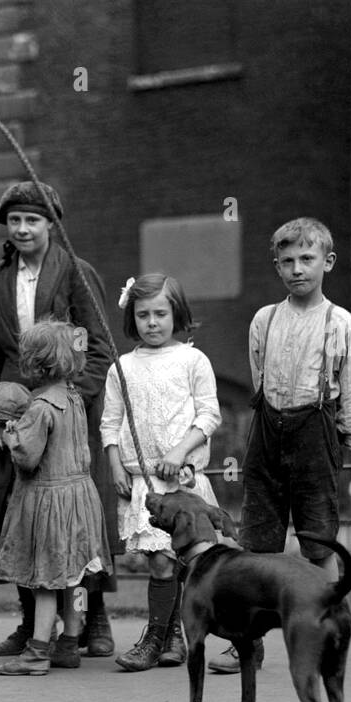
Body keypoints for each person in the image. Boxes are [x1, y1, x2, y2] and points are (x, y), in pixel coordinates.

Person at [0, 180, 118, 660]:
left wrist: (69, 400)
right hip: (15, 422)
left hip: (67, 416)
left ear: (51, 224)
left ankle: (90, 620)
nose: (22, 229)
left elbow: (98, 347)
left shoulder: (76, 273)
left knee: (71, 521)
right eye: (14, 220)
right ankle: (30, 621)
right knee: (21, 521)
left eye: (32, 220)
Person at [214, 216, 351, 675]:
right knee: (257, 543)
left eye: (307, 259)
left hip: (315, 432)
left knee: (318, 540)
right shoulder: (264, 319)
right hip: (267, 431)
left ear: (328, 262)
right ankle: (247, 643)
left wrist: (348, 438)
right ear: (277, 267)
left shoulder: (340, 323)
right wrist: (266, 426)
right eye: (287, 261)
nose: (297, 269)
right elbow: (258, 380)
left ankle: (325, 630)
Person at [101, 273, 222, 671]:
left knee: (183, 560)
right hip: (144, 484)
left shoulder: (192, 360)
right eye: (142, 315)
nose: (151, 323)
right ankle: (156, 636)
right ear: (131, 319)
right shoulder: (122, 367)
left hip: (182, 480)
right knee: (159, 562)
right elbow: (110, 421)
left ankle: (175, 634)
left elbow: (209, 414)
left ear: (177, 314)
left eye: (160, 313)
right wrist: (116, 463)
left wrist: (179, 451)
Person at [0, 319, 110, 675]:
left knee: (45, 580)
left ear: (35, 362)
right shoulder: (74, 398)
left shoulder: (40, 406)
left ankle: (38, 651)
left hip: (50, 502)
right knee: (76, 576)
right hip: (81, 498)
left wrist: (12, 437)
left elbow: (28, 459)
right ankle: (70, 643)